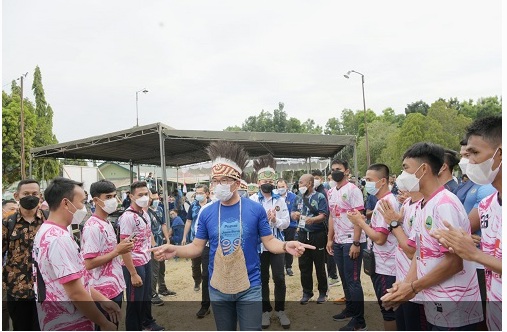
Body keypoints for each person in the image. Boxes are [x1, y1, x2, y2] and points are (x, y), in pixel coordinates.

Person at [150, 141, 314, 331]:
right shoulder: (206, 212)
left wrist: (286, 246)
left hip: (250, 287)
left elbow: (269, 241)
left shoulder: (255, 209)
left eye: (224, 180)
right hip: (218, 287)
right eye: (215, 180)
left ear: (237, 183)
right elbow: (196, 247)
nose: (218, 185)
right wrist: (175, 249)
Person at [381, 142, 483, 330]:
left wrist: (413, 288)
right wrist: (404, 286)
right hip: (435, 304)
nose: (402, 175)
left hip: (456, 308)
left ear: (423, 169)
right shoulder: (424, 204)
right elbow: (419, 253)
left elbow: (454, 262)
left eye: (405, 168)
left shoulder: (445, 204)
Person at [432, 115, 501, 331]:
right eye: (467, 154)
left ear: (500, 153)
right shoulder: (487, 204)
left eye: (475, 153)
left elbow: (478, 255)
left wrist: (474, 254)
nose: (469, 162)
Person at [33, 177, 120, 331]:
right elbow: (76, 293)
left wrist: (101, 299)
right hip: (69, 322)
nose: (84, 207)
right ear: (66, 203)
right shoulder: (59, 239)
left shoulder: (46, 231)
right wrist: (104, 323)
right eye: (82, 202)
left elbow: (77, 280)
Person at [346, 164, 399, 331]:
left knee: (388, 310)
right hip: (382, 263)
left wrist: (360, 223)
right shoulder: (381, 201)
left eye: (369, 180)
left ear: (382, 181)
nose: (366, 183)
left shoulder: (386, 203)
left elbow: (380, 238)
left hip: (387, 266)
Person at [81, 179, 134, 330]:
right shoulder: (92, 227)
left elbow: (109, 252)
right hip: (101, 293)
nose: (113, 201)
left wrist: (121, 248)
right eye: (108, 197)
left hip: (113, 287)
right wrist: (117, 251)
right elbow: (89, 263)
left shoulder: (107, 222)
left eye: (114, 196)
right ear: (96, 200)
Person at [377, 186, 427, 331]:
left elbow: (412, 251)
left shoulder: (426, 206)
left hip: (416, 287)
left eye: (406, 169)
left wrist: (393, 223)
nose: (402, 176)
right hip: (402, 280)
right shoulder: (407, 203)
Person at [325, 159, 367, 331]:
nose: (335, 172)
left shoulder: (353, 190)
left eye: (339, 169)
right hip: (338, 241)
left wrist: (356, 243)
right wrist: (330, 238)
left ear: (347, 171)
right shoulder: (330, 191)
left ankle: (359, 321)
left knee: (353, 281)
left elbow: (359, 217)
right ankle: (350, 309)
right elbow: (332, 216)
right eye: (333, 169)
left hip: (352, 240)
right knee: (344, 278)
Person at [250, 154, 291, 329]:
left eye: (269, 180)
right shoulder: (252, 200)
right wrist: (262, 221)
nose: (266, 183)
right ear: (258, 182)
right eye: (263, 180)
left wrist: (275, 221)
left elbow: (287, 222)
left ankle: (280, 310)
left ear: (273, 182)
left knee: (279, 278)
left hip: (277, 245)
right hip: (259, 247)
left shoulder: (280, 200)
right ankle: (265, 311)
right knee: (262, 279)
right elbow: (249, 223)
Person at [118, 181, 164, 331]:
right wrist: (132, 273)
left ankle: (147, 322)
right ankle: (134, 327)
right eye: (140, 195)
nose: (145, 197)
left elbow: (148, 232)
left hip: (146, 260)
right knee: (134, 301)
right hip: (134, 264)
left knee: (146, 297)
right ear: (131, 196)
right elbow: (124, 247)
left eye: (146, 194)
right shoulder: (127, 217)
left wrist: (154, 248)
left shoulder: (144, 213)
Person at [2, 179, 45, 331]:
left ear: (40, 196)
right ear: (16, 196)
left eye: (34, 193)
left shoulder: (48, 221)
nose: (30, 197)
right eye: (26, 194)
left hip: (44, 290)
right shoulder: (7, 222)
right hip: (16, 290)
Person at [291, 174, 329, 305]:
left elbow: (324, 215)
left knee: (319, 265)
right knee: (304, 265)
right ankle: (307, 292)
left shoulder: (320, 197)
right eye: (299, 183)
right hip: (302, 235)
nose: (299, 185)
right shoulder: (298, 197)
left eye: (302, 183)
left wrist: (312, 220)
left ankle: (323, 292)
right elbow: (293, 212)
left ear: (310, 184)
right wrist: (294, 215)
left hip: (317, 235)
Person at [182, 184, 212, 318]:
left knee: (207, 273)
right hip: (195, 241)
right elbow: (188, 221)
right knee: (195, 265)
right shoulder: (193, 206)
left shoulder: (213, 205)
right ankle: (196, 281)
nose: (198, 195)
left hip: (208, 244)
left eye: (200, 192)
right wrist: (184, 236)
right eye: (196, 192)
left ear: (207, 193)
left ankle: (206, 305)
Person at [312, 169, 340, 288]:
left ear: (320, 179)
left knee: (329, 252)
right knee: (326, 252)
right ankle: (331, 275)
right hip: (324, 226)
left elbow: (328, 212)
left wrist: (330, 230)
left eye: (316, 178)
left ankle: (333, 276)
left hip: (326, 227)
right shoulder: (316, 192)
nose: (314, 181)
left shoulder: (323, 192)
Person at [147, 189, 172, 306]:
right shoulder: (145, 212)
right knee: (154, 270)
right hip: (152, 246)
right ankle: (152, 294)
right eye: (154, 198)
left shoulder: (160, 209)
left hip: (160, 242)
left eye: (158, 198)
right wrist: (153, 245)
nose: (156, 200)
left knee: (162, 267)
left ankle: (162, 288)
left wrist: (167, 238)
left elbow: (163, 224)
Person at [1, 199, 17, 332]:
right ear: (3, 210)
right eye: (12, 209)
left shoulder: (13, 226)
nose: (14, 212)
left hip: (11, 277)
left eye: (16, 209)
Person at [277, 179, 298, 277]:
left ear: (286, 186)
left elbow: (296, 211)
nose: (281, 189)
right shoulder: (275, 198)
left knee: (290, 245)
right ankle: (280, 266)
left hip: (291, 226)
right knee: (280, 246)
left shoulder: (293, 197)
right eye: (279, 187)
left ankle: (288, 266)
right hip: (279, 226)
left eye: (282, 186)